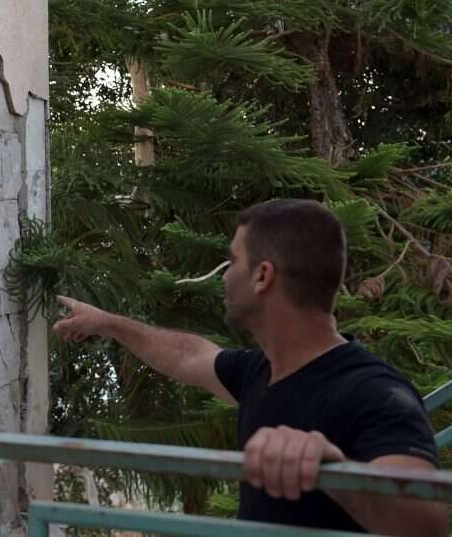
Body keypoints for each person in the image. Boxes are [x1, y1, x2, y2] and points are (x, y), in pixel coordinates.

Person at [53, 199, 448, 535]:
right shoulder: (261, 371)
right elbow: (187, 354)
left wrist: (337, 472)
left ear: (263, 276)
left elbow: (427, 520)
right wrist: (107, 323)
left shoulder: (374, 391)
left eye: (232, 261)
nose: (226, 276)